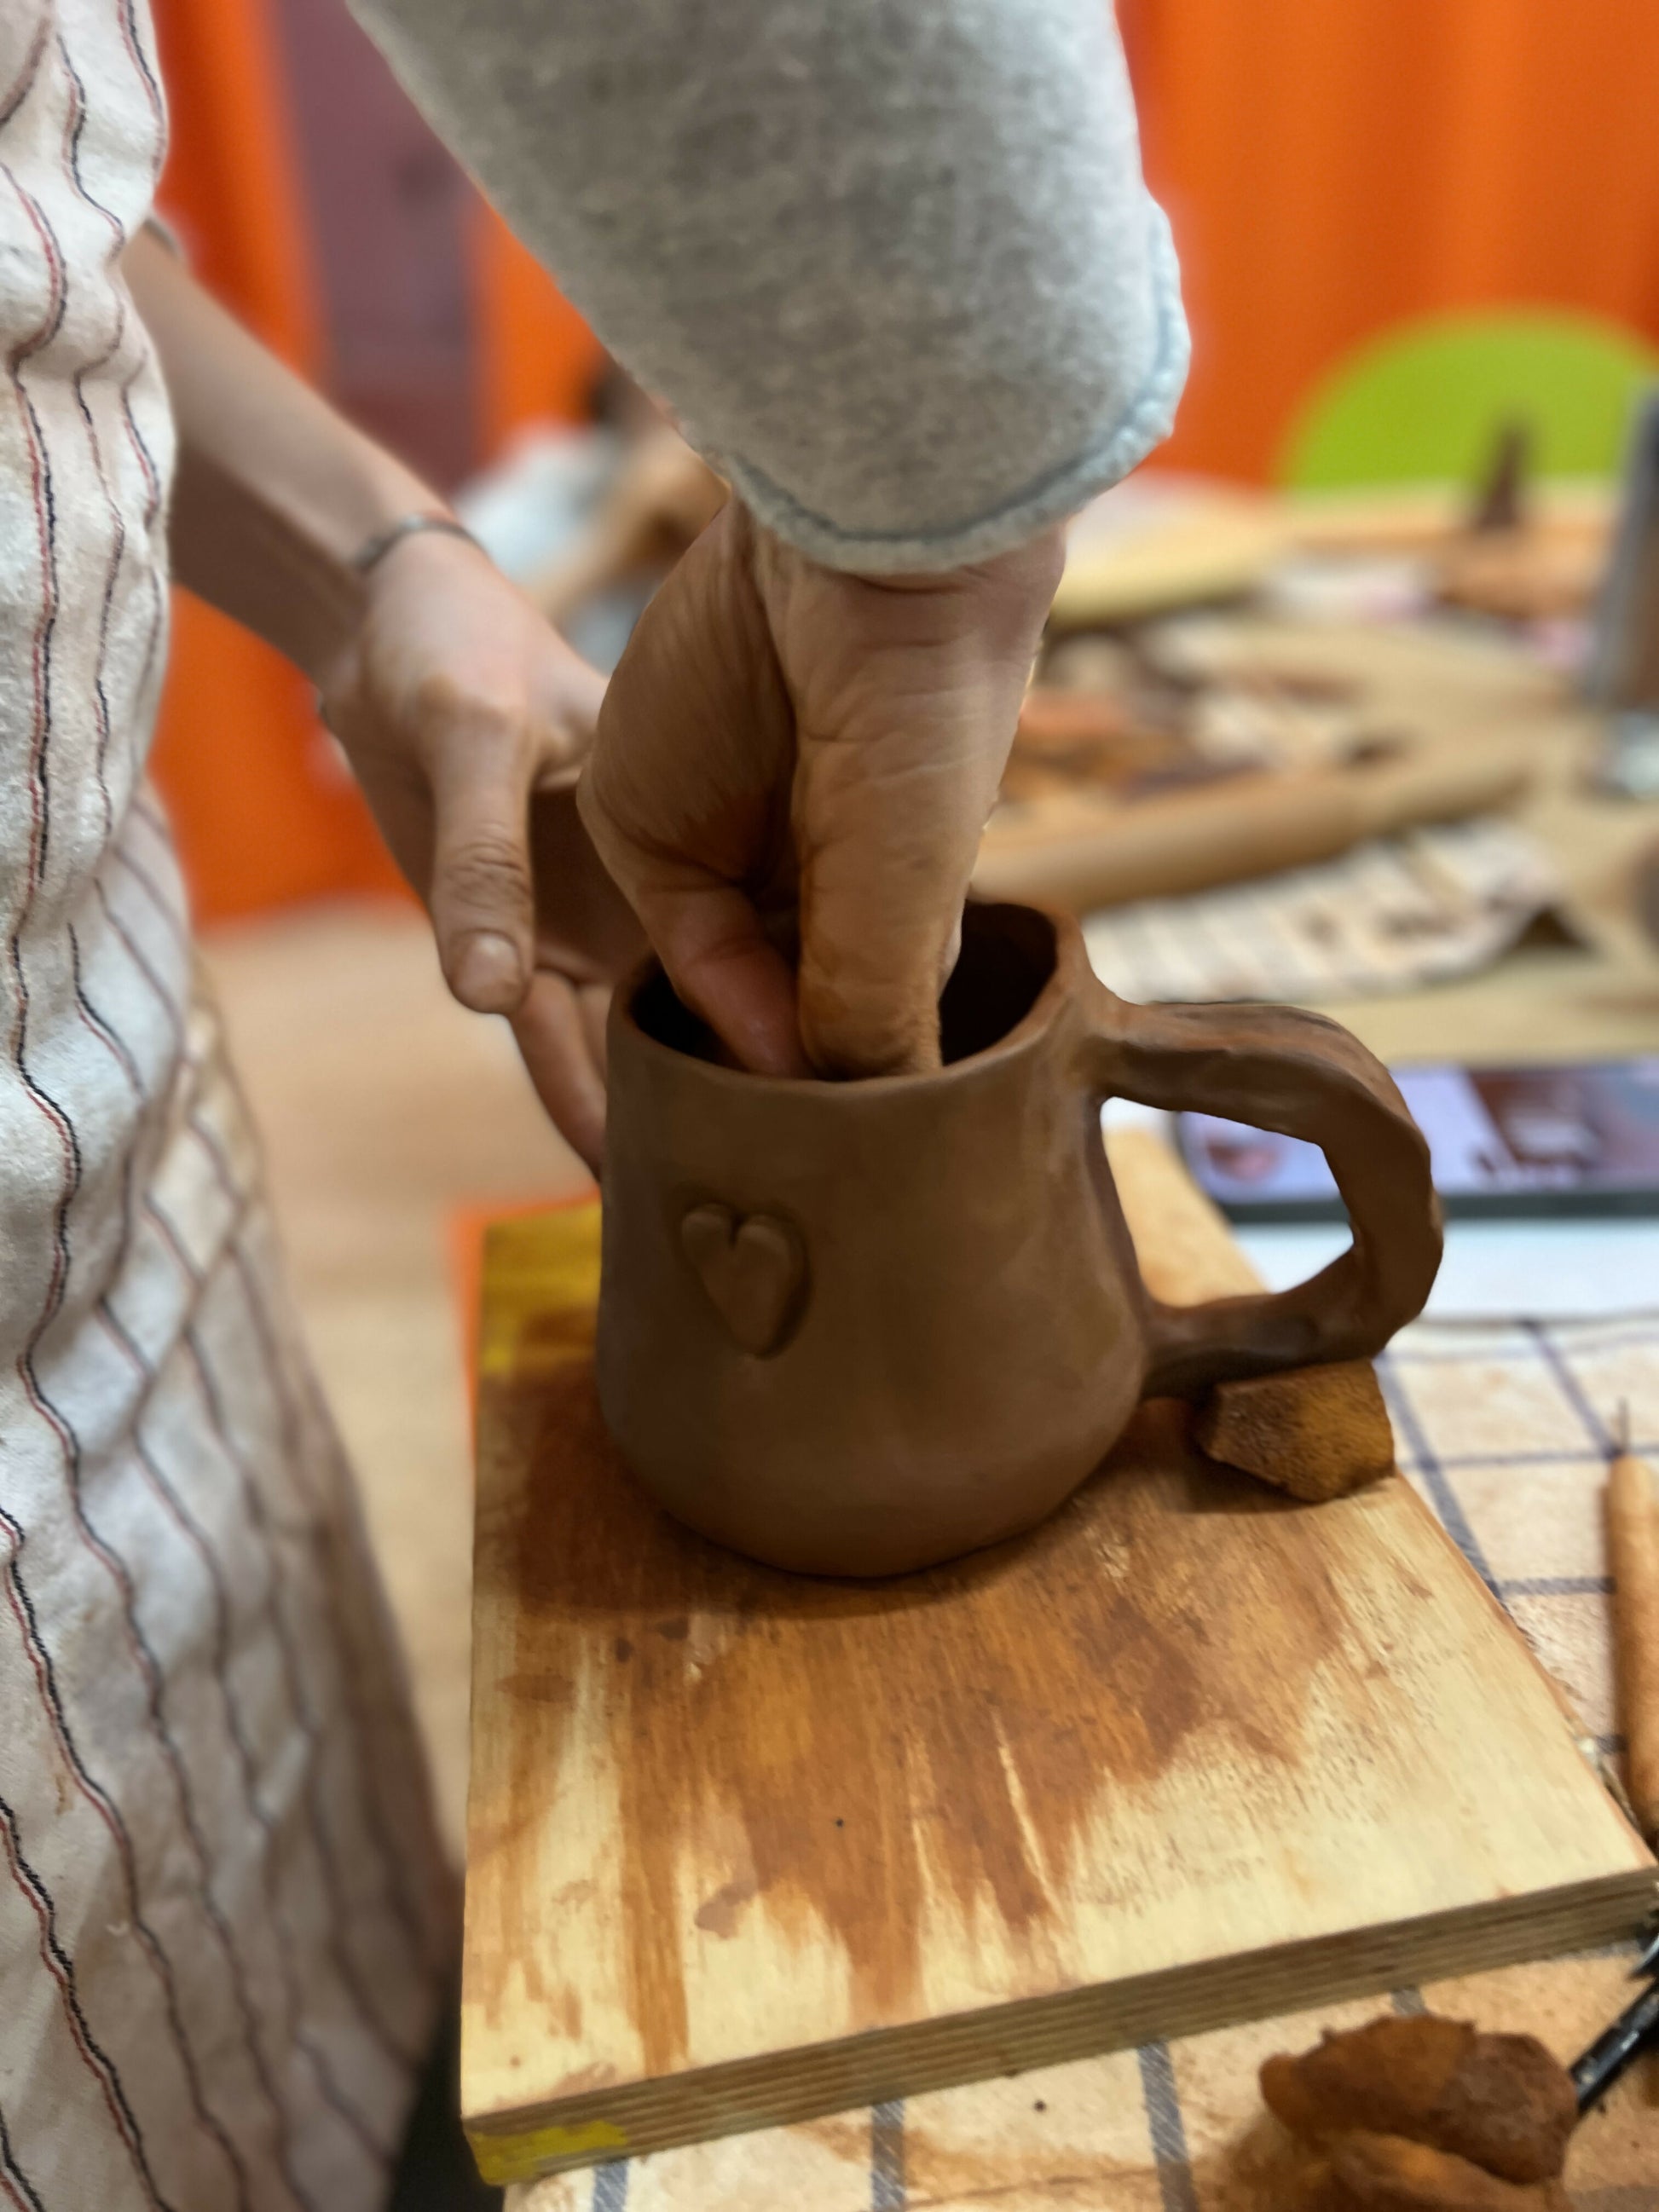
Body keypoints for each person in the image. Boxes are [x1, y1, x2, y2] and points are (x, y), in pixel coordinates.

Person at [0, 4, 1183, 2208]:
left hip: (116, 1236)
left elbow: (30, 210)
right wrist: (923, 531)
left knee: (316, 2011)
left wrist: (380, 567)